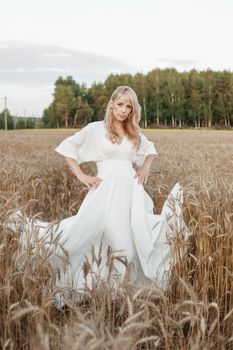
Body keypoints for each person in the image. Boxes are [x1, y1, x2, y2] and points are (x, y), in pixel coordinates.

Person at [7, 86, 188, 307]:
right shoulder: (96, 129)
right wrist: (82, 175)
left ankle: (110, 297)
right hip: (106, 195)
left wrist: (145, 167)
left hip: (131, 195)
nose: (123, 110)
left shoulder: (134, 132)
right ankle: (107, 294)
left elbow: (150, 150)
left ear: (133, 109)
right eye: (120, 104)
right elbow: (67, 148)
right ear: (111, 104)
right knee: (122, 250)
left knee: (126, 242)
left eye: (128, 106)